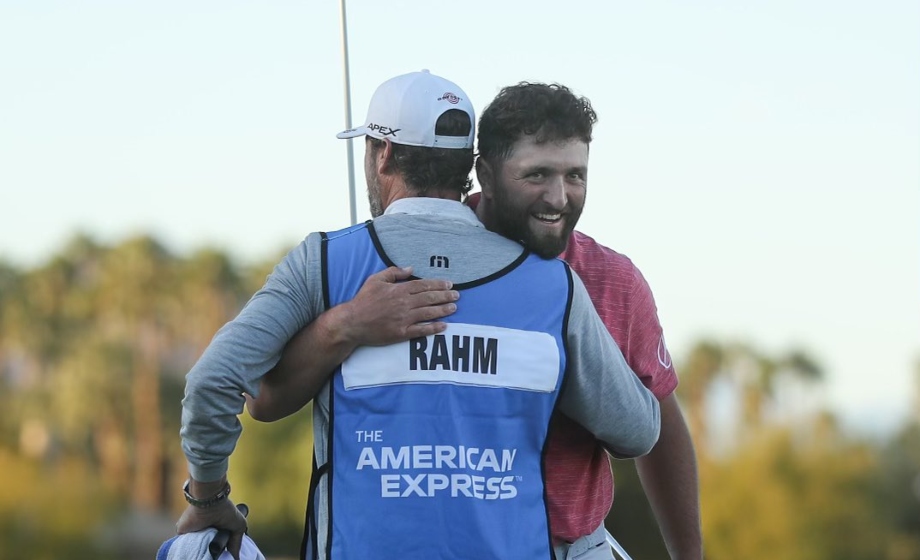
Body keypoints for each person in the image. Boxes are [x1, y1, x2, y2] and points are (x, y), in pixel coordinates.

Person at [178, 70, 661, 560]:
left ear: (382, 154)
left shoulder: (324, 262)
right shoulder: (553, 286)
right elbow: (638, 429)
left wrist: (209, 496)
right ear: (469, 168)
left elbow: (213, 382)